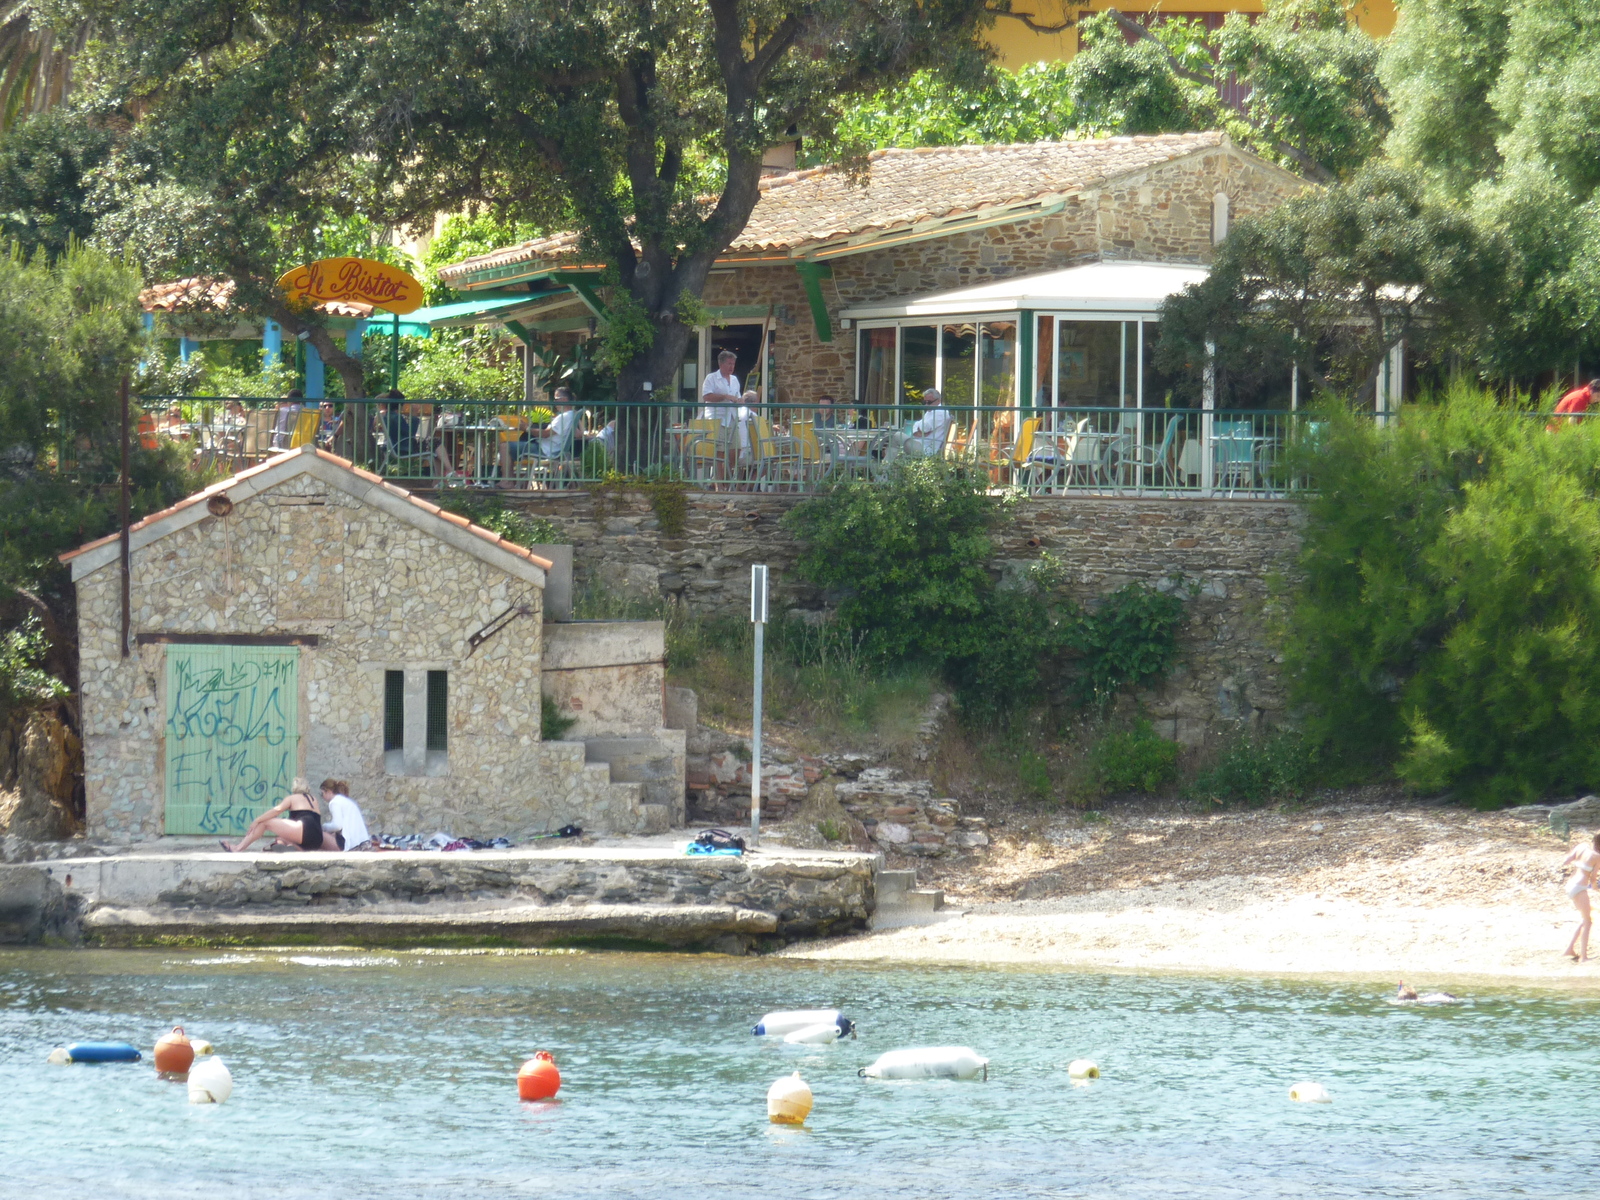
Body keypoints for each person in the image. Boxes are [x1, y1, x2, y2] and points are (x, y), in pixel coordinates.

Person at [499, 387, 581, 485]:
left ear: (563, 400)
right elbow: (578, 434)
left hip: (545, 450)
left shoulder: (564, 417)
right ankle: (510, 481)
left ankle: (507, 481)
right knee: (511, 447)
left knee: (505, 446)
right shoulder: (572, 415)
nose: (554, 402)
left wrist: (527, 428)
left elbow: (545, 434)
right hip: (552, 449)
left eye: (556, 399)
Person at [221, 778, 325, 853]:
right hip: (317, 838)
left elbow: (277, 810)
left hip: (304, 830)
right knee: (280, 837)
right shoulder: (313, 799)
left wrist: (258, 820)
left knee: (265, 822)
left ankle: (238, 848)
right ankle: (294, 848)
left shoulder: (292, 798)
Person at [1562, 833, 1600, 960]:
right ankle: (1584, 957)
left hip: (1570, 885)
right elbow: (1593, 879)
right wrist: (1596, 889)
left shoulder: (1582, 846)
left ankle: (1569, 949)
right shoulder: (1597, 857)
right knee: (1588, 922)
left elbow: (1565, 861)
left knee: (1585, 919)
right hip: (1579, 888)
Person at [888, 388, 952, 460]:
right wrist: (919, 430)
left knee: (897, 436)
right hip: (920, 443)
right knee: (895, 447)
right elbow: (916, 425)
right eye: (925, 402)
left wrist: (921, 430)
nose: (926, 405)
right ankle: (886, 466)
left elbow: (923, 428)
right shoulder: (931, 411)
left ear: (938, 401)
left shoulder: (940, 413)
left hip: (926, 449)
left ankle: (884, 467)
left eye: (929, 402)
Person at [318, 779, 372, 851]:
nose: (322, 797)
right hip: (363, 842)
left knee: (318, 835)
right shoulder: (344, 800)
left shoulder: (334, 802)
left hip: (352, 844)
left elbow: (337, 826)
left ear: (329, 792)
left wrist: (324, 827)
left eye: (322, 794)